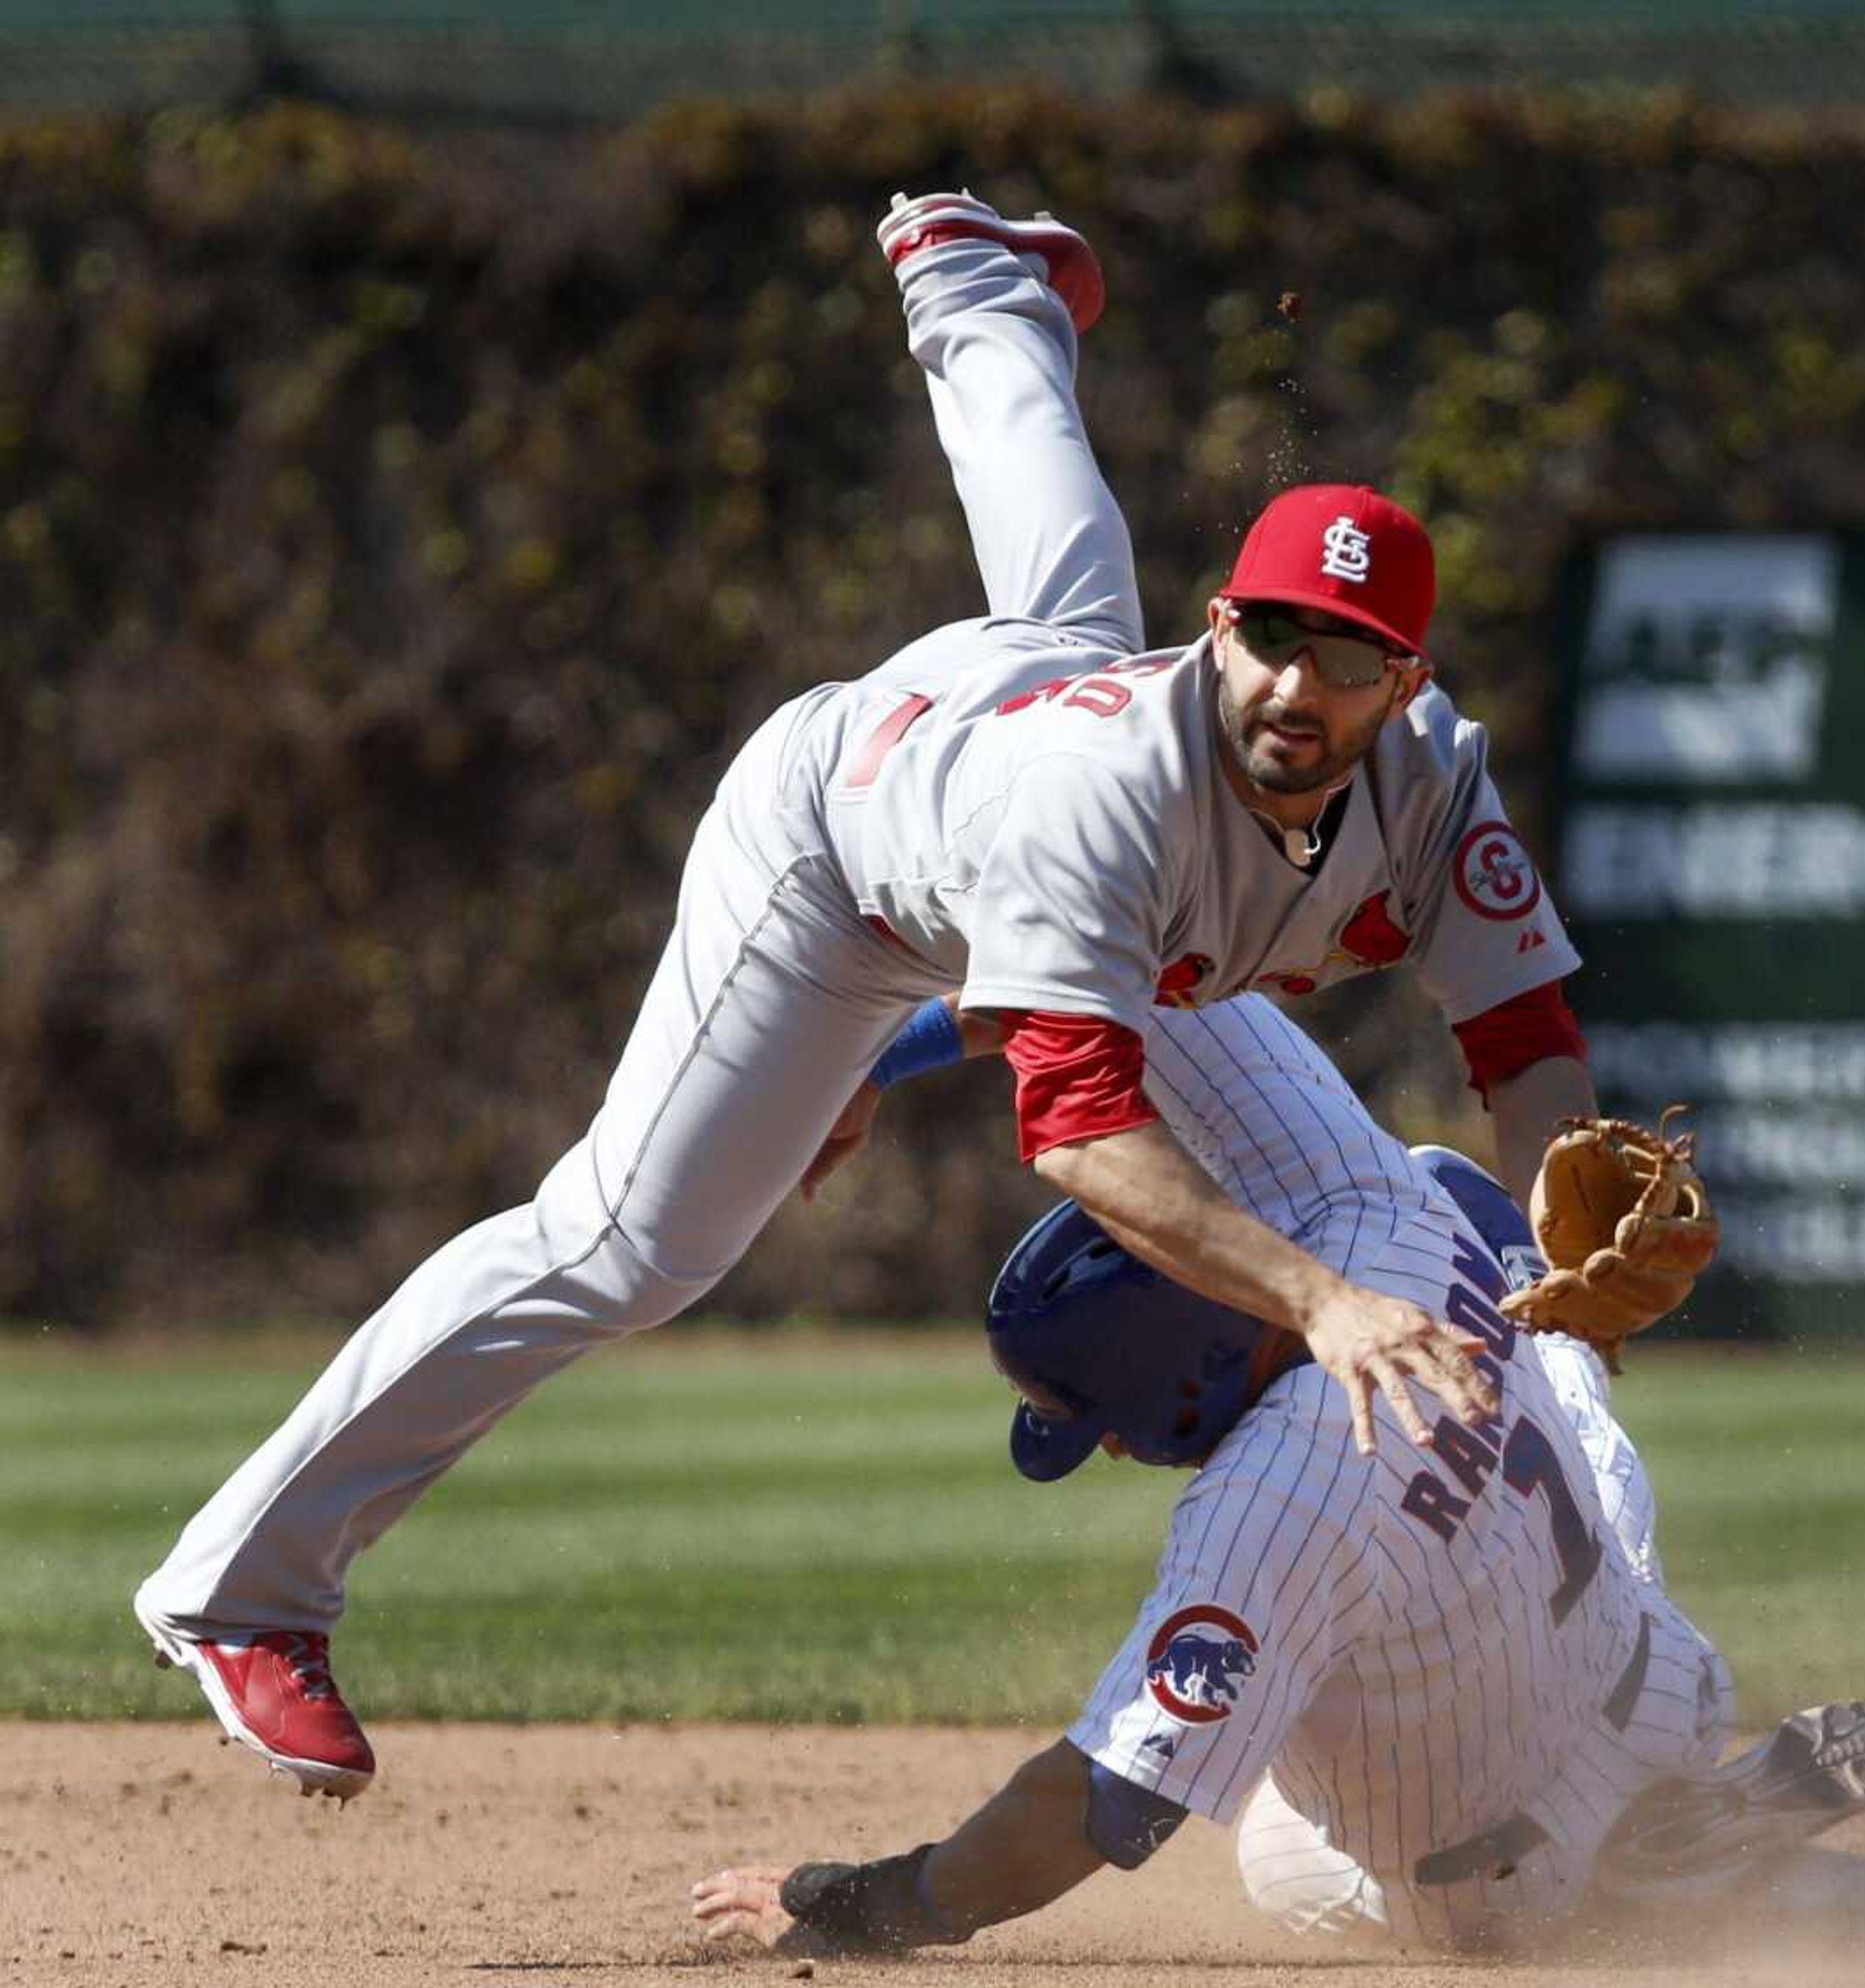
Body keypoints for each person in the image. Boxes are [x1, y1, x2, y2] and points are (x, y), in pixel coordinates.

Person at [134, 191, 1600, 1799]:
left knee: (1064, 614)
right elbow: (1084, 1132)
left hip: (1032, 770)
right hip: (846, 850)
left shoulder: (1435, 784)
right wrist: (1321, 1297)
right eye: (1268, 636)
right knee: (627, 1245)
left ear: (1411, 681)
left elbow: (1526, 1045)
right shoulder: (1107, 792)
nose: (1293, 685)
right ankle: (240, 1589)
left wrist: (1568, 1260)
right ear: (1223, 626)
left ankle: (975, 278)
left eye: (1347, 656)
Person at [692, 994, 1865, 1956]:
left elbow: (1098, 1806)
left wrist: (861, 1899)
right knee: (1549, 1356)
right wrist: (872, 1058)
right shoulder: (1383, 1190)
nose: (1111, 1446)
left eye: (1101, 1418)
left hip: (1512, 1870)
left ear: (1175, 1367)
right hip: (1657, 1665)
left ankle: (1654, 1874)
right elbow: (1082, 964)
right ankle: (1683, 1799)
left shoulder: (1277, 1502)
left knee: (1288, 1834)